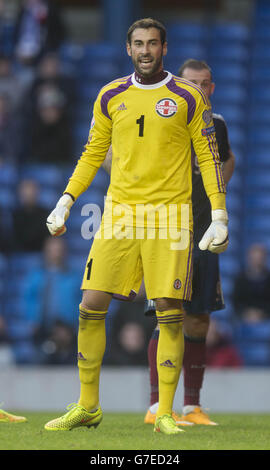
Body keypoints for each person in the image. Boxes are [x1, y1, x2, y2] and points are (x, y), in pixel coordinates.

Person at [44, 18, 228, 435]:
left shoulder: (187, 96)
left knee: (168, 310)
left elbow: (208, 156)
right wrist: (67, 199)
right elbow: (94, 152)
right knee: (90, 303)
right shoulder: (110, 94)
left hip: (170, 217)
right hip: (119, 215)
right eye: (139, 43)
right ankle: (88, 405)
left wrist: (219, 214)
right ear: (129, 49)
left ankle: (164, 411)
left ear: (165, 48)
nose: (145, 50)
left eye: (153, 43)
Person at [143, 59, 235, 426]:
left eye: (205, 84)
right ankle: (155, 407)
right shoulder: (160, 118)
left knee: (198, 320)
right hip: (167, 230)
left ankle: (191, 406)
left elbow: (228, 159)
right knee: (167, 316)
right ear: (180, 84)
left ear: (212, 89)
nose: (199, 89)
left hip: (203, 233)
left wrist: (218, 196)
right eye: (192, 82)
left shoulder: (218, 124)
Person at [232, 243, 270, 323]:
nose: (257, 260)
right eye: (254, 257)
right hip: (244, 318)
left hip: (266, 318)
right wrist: (247, 313)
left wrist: (261, 314)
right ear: (249, 258)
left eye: (260, 258)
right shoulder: (240, 279)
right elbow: (236, 302)